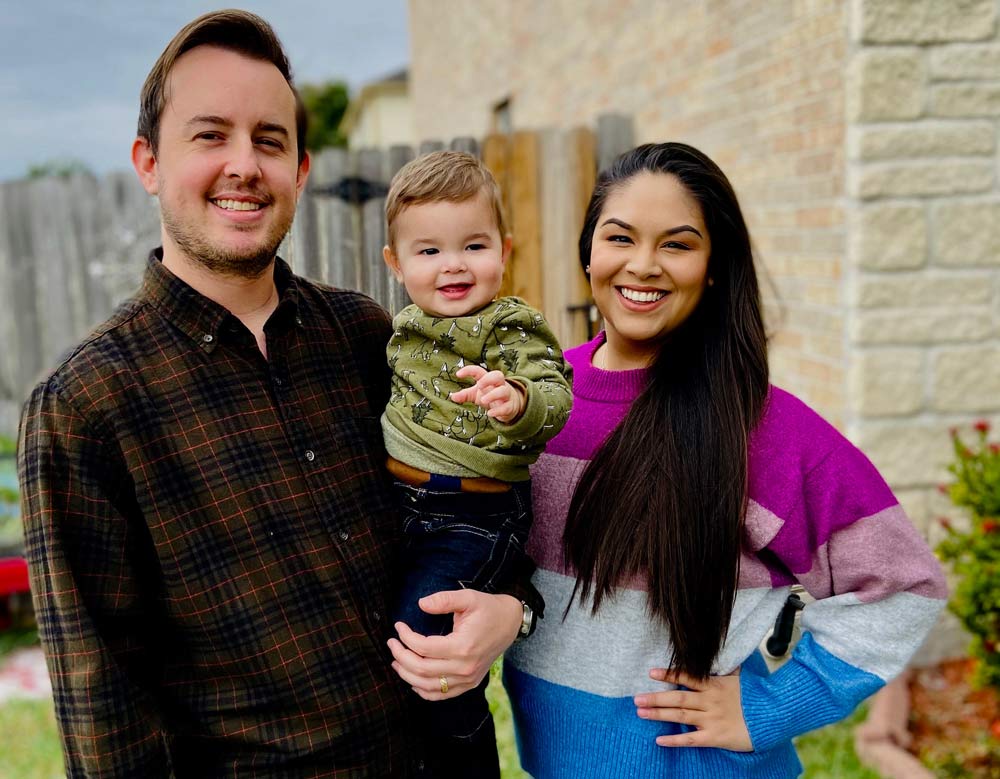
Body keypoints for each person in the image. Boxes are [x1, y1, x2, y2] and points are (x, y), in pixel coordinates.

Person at [17, 10, 529, 777]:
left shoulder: (368, 335)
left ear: (301, 169)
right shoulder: (87, 405)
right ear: (148, 162)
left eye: (268, 139)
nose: (244, 164)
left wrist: (512, 609)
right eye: (209, 134)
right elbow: (105, 709)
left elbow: (481, 496)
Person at [503, 142, 949, 779]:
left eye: (678, 245)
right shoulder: (534, 401)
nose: (643, 265)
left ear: (713, 267)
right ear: (589, 252)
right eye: (619, 237)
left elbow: (904, 585)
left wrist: (769, 706)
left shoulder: (763, 428)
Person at [379, 151, 572, 777]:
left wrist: (515, 401)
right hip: (398, 503)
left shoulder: (509, 325)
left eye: (474, 245)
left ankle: (465, 757)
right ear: (397, 264)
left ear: (505, 249)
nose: (454, 264)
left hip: (475, 511)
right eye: (429, 251)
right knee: (389, 639)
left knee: (425, 638)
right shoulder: (401, 329)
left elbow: (555, 393)